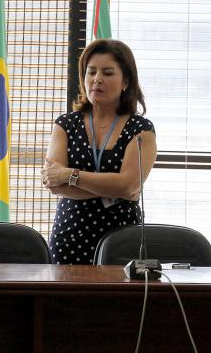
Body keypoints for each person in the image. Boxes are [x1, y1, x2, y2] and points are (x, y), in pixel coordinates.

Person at [42, 39, 157, 264]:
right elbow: (55, 184)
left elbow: (129, 185)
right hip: (69, 236)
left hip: (122, 239)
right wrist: (115, 188)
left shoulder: (141, 129)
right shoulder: (66, 124)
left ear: (126, 81)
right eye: (91, 72)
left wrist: (70, 175)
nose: (97, 79)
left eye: (107, 72)